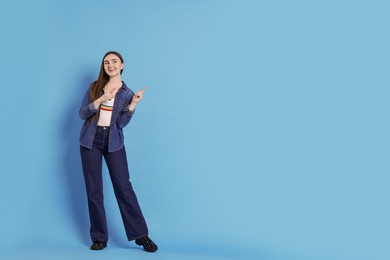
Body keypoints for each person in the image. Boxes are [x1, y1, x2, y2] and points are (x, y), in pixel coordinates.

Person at [78, 51, 158, 252]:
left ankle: (141, 236)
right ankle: (99, 238)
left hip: (113, 142)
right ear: (103, 66)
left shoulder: (127, 93)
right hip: (90, 141)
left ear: (122, 65)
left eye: (114, 61)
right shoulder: (95, 87)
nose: (110, 65)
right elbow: (82, 113)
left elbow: (121, 124)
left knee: (123, 187)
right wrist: (103, 98)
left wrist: (133, 104)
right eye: (106, 62)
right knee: (94, 191)